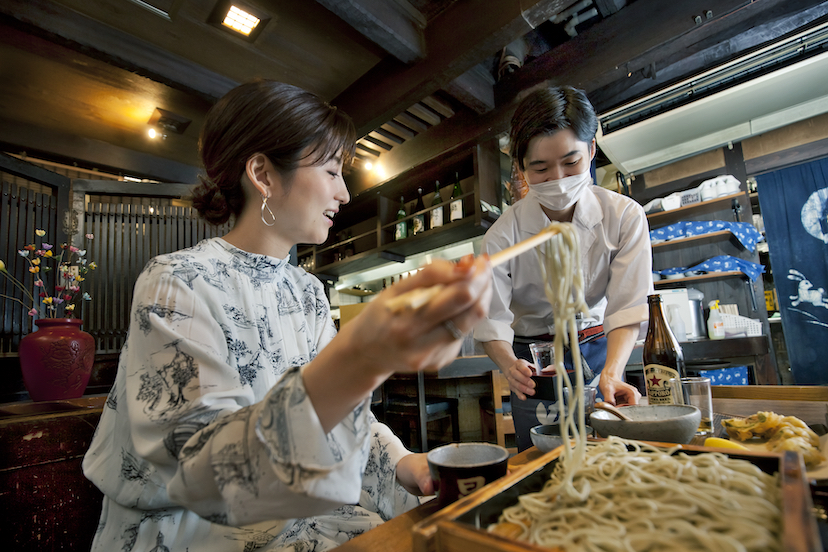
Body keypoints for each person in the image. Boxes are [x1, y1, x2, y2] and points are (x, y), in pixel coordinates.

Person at [82, 79, 492, 551]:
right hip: (189, 529)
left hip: (298, 516)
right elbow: (204, 472)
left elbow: (340, 419)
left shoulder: (308, 293)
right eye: (332, 171)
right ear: (264, 174)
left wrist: (403, 463)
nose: (343, 193)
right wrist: (363, 355)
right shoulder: (176, 282)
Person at [473, 85, 653, 452]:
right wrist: (508, 365)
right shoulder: (502, 237)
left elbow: (627, 305)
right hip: (533, 361)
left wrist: (614, 373)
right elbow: (491, 318)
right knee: (543, 458)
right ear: (521, 167)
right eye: (540, 168)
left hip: (600, 345)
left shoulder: (623, 217)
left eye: (571, 163)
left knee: (612, 452)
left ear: (591, 150)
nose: (558, 178)